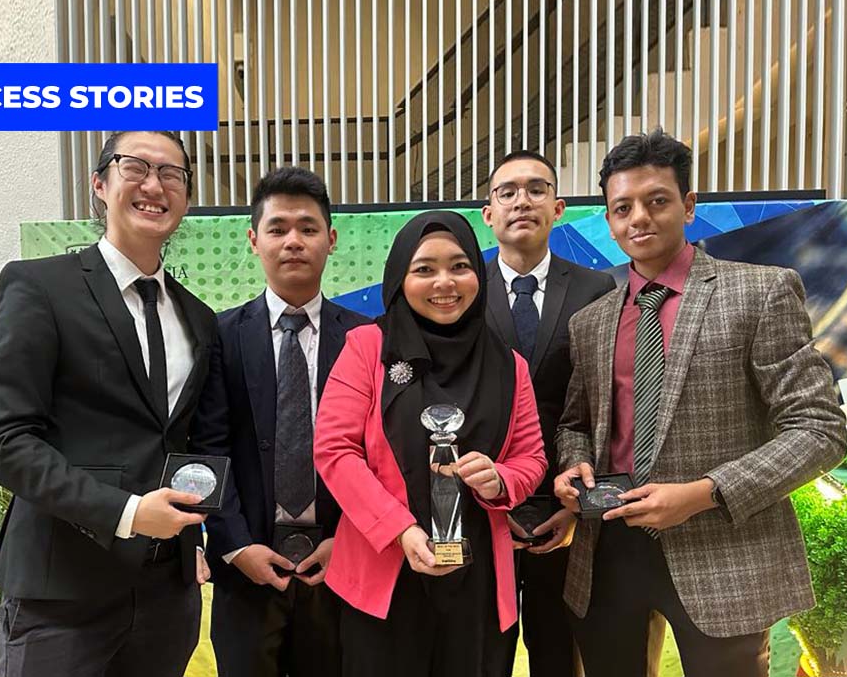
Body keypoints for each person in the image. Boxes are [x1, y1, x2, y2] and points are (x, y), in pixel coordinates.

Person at [553, 129, 847, 677]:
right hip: (607, 552)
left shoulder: (760, 292)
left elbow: (819, 430)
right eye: (623, 208)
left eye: (657, 201)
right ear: (609, 221)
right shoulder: (591, 322)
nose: (639, 218)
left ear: (688, 206)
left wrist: (705, 492)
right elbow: (576, 424)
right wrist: (573, 465)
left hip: (722, 554)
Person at [0, 130, 218, 677]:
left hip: (166, 597)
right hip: (61, 591)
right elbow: (2, 436)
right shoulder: (41, 286)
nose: (154, 185)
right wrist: (126, 513)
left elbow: (183, 442)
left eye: (172, 174)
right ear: (100, 185)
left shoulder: (199, 318)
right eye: (136, 168)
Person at [313, 210, 548, 677]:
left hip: (478, 579)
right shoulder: (367, 347)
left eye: (460, 266)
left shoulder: (509, 365)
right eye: (424, 269)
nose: (445, 282)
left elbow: (531, 458)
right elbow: (335, 450)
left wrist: (499, 479)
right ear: (400, 279)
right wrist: (399, 529)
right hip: (384, 569)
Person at [190, 166, 367, 677]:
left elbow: (377, 453)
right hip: (246, 569)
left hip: (339, 566)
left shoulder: (365, 337)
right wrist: (235, 545)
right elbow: (209, 449)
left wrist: (349, 541)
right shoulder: (221, 335)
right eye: (278, 228)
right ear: (254, 240)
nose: (294, 241)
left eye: (308, 228)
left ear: (331, 239)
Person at [481, 149, 616, 677]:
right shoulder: (462, 291)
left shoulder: (595, 290)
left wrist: (579, 509)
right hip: (485, 507)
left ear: (558, 208)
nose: (522, 201)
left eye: (536, 190)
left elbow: (603, 406)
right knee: (483, 654)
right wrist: (492, 504)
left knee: (558, 654)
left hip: (566, 506)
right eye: (507, 192)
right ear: (489, 213)